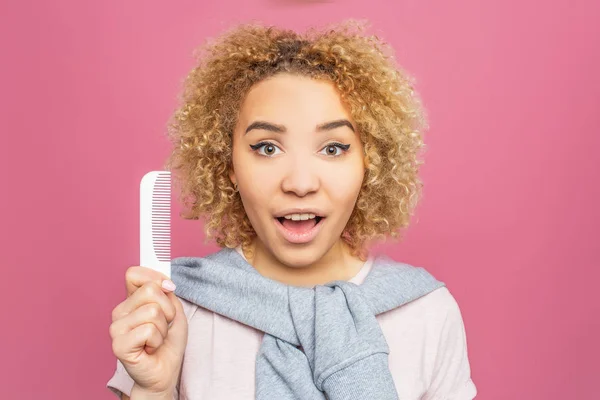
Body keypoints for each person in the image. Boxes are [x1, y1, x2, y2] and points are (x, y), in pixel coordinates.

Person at [107, 20, 477, 400]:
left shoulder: (427, 312)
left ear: (370, 163)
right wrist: (153, 389)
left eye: (333, 148)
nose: (300, 183)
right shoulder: (174, 313)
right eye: (267, 148)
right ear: (228, 164)